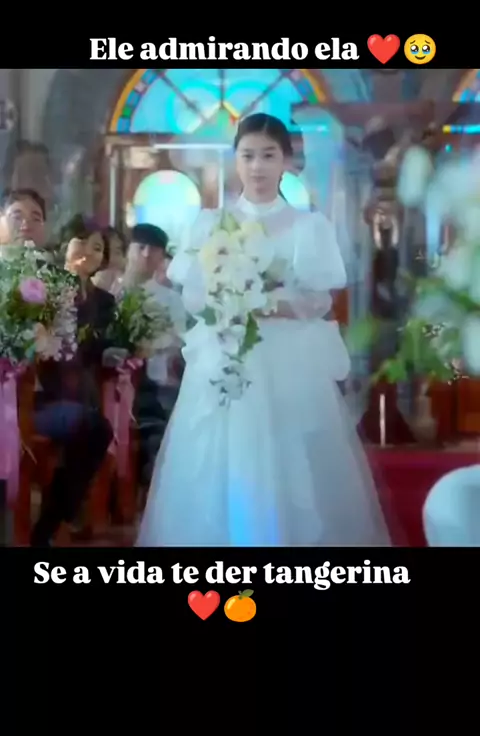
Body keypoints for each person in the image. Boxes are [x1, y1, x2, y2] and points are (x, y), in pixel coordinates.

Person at [137, 114, 391, 547]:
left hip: (287, 361)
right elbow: (195, 298)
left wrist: (264, 303)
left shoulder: (308, 227)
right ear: (236, 160)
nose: (257, 166)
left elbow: (318, 300)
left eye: (268, 156)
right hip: (225, 357)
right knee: (218, 462)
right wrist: (227, 300)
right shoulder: (211, 224)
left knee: (292, 463)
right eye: (248, 155)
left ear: (287, 162)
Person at [0, 192, 114, 547]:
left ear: (46, 227)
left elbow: (67, 347)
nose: (26, 223)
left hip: (36, 401)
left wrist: (43, 343)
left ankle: (46, 528)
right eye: (16, 215)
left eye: (35, 216)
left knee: (94, 427)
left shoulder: (56, 281)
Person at [123, 223, 186, 486]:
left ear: (163, 256)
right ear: (128, 250)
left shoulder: (170, 299)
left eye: (155, 250)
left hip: (158, 383)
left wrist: (153, 345)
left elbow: (181, 341)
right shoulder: (109, 290)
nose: (147, 254)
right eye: (141, 247)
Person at [92, 227, 127, 296]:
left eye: (118, 252)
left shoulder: (124, 280)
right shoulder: (97, 283)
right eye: (117, 252)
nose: (113, 259)